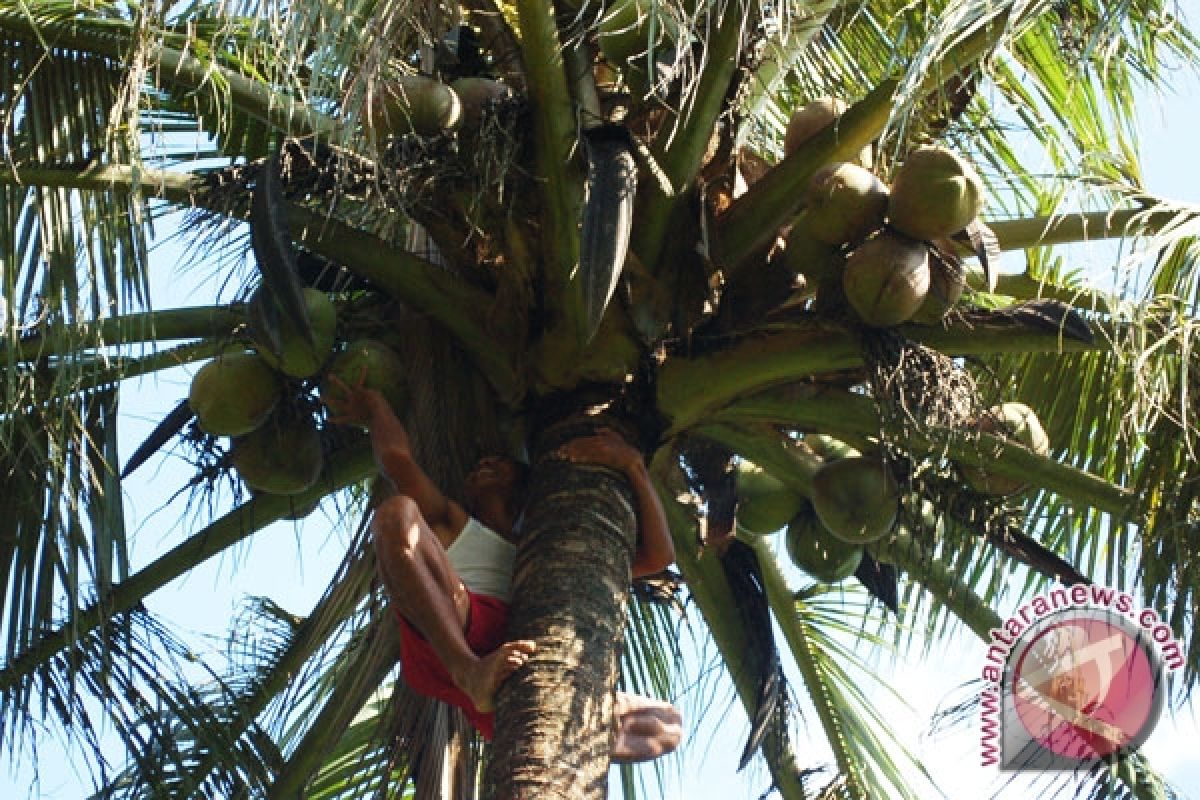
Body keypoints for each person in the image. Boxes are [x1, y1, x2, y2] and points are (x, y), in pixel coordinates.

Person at [327, 377, 682, 761]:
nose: (486, 463)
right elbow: (397, 461)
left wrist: (634, 467)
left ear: (526, 486)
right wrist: (376, 406)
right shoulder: (452, 521)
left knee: (668, 724)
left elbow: (658, 557)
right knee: (397, 513)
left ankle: (568, 725)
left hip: (523, 654)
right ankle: (469, 671)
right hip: (455, 626)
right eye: (478, 465)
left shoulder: (556, 554)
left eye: (501, 463)